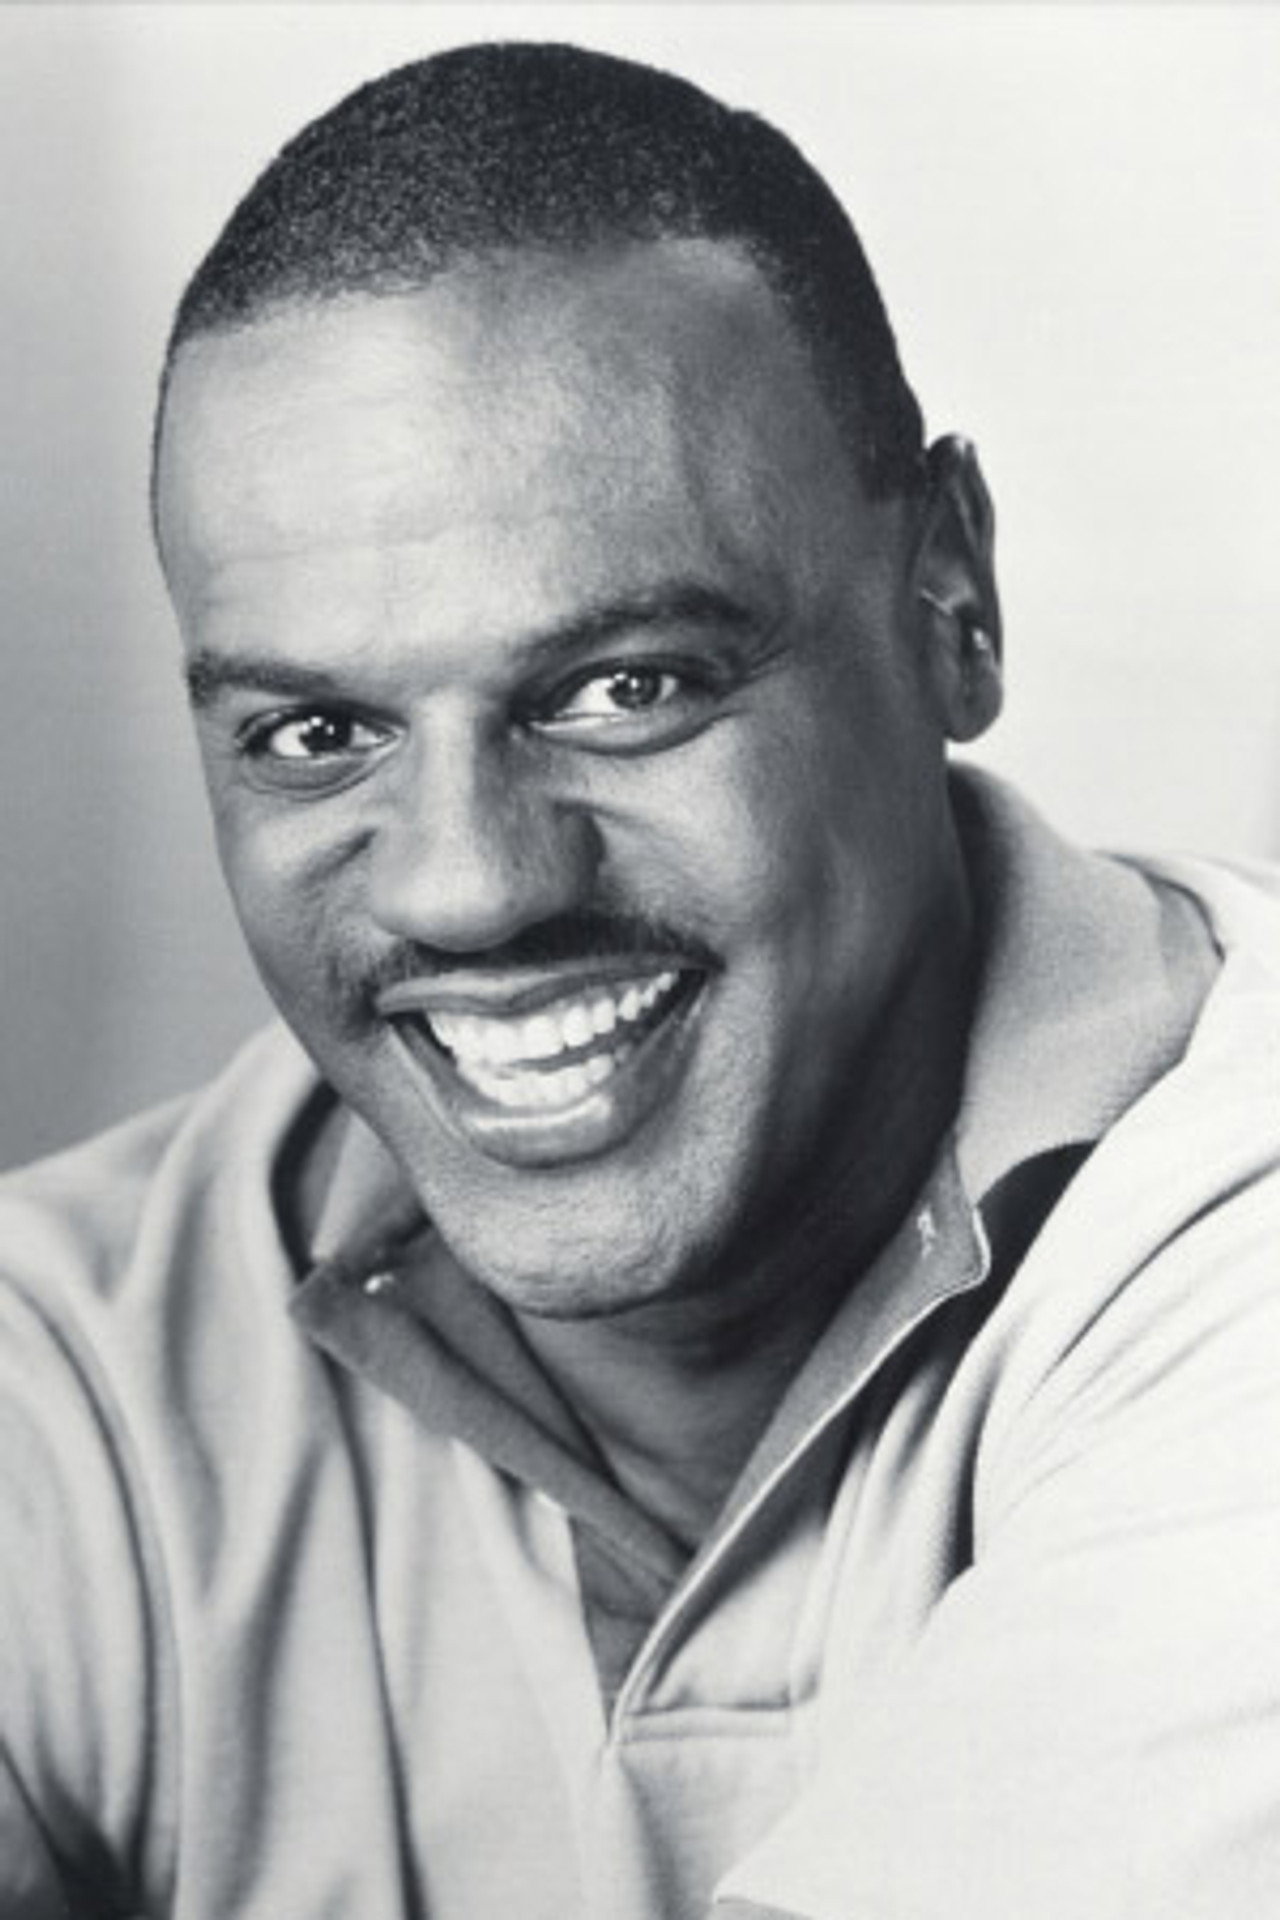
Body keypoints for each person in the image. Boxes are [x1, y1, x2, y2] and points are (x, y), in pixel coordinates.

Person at [2, 39, 1277, 1920]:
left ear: (951, 604)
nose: (468, 885)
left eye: (626, 687)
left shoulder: (1239, 1255)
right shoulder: (76, 1365)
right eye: (317, 734)